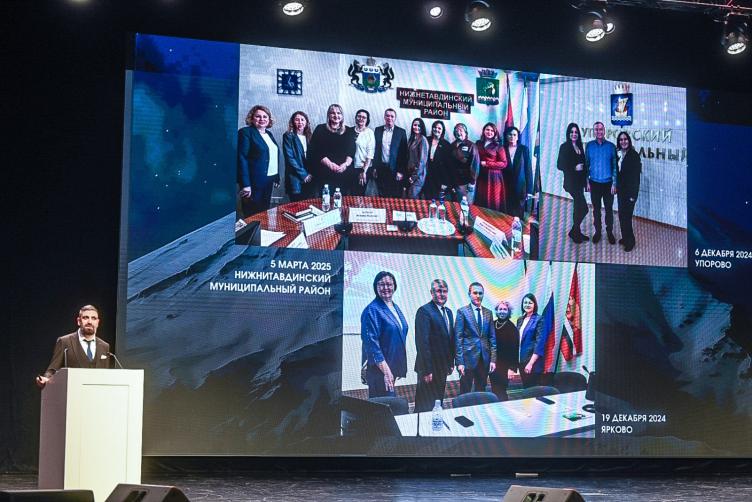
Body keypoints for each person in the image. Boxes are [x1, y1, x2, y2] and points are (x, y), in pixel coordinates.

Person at [36, 305, 113, 388]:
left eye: (93, 318)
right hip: (72, 391)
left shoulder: (105, 346)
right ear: (79, 321)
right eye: (85, 318)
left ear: (98, 322)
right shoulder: (65, 341)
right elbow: (52, 369)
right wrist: (46, 378)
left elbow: (106, 375)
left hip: (97, 393)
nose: (90, 322)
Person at [360, 271, 408, 398]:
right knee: (382, 406)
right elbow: (371, 345)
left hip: (391, 369)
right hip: (379, 371)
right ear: (375, 287)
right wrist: (386, 372)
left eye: (389, 284)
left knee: (389, 404)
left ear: (394, 286)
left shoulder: (394, 307)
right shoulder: (372, 310)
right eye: (381, 284)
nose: (386, 287)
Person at [414, 279, 455, 413]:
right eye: (438, 291)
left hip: (442, 367)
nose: (442, 294)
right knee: (424, 404)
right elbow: (422, 343)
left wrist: (451, 363)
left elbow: (449, 340)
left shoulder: (448, 312)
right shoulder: (424, 311)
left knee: (437, 402)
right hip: (429, 369)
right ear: (432, 293)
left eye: (445, 291)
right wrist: (427, 370)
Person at [237, 105, 280, 217]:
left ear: (269, 119)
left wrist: (276, 177)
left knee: (263, 213)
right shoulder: (245, 132)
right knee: (252, 215)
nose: (262, 119)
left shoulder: (269, 134)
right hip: (253, 182)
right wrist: (246, 184)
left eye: (265, 116)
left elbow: (273, 156)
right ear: (252, 118)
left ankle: (261, 229)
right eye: (258, 116)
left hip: (268, 180)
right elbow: (242, 158)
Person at [454, 282, 496, 394]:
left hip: (484, 359)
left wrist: (493, 360)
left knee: (481, 391)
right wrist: (459, 362)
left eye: (480, 293)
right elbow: (458, 339)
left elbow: (492, 338)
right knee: (465, 391)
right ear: (469, 294)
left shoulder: (488, 313)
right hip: (467, 360)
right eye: (475, 293)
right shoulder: (462, 312)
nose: (478, 296)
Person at [308, 103, 357, 196]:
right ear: (328, 115)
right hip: (324, 172)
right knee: (325, 199)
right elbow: (315, 150)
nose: (336, 115)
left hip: (343, 173)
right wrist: (330, 164)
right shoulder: (320, 129)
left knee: (341, 200)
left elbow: (351, 151)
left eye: (339, 113)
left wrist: (345, 165)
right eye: (332, 113)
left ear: (342, 116)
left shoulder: (349, 131)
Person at [585, 121, 618, 244]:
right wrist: (586, 181)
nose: (599, 131)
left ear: (604, 131)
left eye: (601, 129)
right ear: (594, 131)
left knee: (609, 210)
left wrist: (614, 183)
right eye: (596, 129)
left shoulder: (611, 146)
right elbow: (586, 165)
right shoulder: (589, 146)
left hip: (608, 184)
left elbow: (615, 166)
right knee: (596, 210)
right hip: (594, 183)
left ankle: (609, 232)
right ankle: (598, 232)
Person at [557, 122, 590, 243]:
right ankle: (575, 231)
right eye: (571, 132)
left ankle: (575, 232)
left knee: (578, 207)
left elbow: (584, 165)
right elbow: (559, 165)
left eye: (576, 132)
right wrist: (574, 167)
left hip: (580, 182)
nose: (574, 134)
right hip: (571, 183)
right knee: (584, 208)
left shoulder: (580, 146)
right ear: (568, 133)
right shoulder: (564, 147)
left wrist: (587, 182)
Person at [616, 131, 642, 252]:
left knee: (627, 218)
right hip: (621, 191)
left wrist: (633, 196)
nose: (623, 141)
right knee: (621, 216)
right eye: (621, 140)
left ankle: (630, 241)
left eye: (625, 139)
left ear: (629, 140)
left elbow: (636, 178)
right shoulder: (618, 154)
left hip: (630, 193)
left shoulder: (634, 155)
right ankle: (625, 238)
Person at [373, 108, 408, 198]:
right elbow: (375, 151)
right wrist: (375, 168)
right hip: (381, 169)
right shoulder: (378, 130)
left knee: (395, 196)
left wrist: (401, 171)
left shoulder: (401, 132)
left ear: (395, 118)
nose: (389, 118)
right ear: (384, 117)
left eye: (392, 116)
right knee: (382, 196)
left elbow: (404, 154)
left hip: (395, 170)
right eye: (387, 116)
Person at [488, 300, 520, 401]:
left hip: (505, 366)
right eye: (500, 309)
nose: (502, 311)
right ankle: (496, 408)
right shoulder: (492, 324)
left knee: (501, 391)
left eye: (505, 309)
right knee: (494, 389)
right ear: (496, 311)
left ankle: (503, 408)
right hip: (493, 364)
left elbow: (515, 350)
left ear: (508, 312)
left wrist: (512, 368)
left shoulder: (512, 328)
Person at [475, 122, 508, 212]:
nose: (489, 132)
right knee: (481, 199)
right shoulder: (478, 143)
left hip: (494, 177)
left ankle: (492, 218)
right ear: (483, 131)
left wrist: (487, 163)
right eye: (487, 130)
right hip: (481, 175)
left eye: (492, 131)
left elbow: (504, 163)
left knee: (493, 201)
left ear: (495, 133)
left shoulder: (499, 146)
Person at [282, 111, 314, 202]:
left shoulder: (310, 136)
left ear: (306, 122)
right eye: (297, 120)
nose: (300, 122)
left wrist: (310, 174)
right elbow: (290, 158)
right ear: (293, 122)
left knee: (308, 204)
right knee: (296, 205)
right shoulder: (288, 136)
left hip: (310, 176)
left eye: (302, 120)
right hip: (295, 177)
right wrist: (304, 175)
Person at [502, 126, 533, 219]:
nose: (512, 137)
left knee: (518, 214)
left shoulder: (523, 149)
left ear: (518, 137)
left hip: (520, 186)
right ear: (506, 136)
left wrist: (529, 190)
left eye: (514, 135)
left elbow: (528, 169)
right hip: (505, 185)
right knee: (506, 212)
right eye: (510, 134)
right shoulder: (502, 149)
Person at [516, 293, 545, 388]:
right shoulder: (520, 320)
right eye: (525, 303)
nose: (527, 305)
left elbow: (539, 343)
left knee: (533, 390)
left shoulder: (539, 319)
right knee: (526, 388)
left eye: (530, 303)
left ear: (534, 305)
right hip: (521, 361)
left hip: (533, 362)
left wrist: (530, 363)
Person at [422, 120, 453, 201]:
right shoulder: (426, 140)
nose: (436, 129)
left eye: (439, 128)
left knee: (438, 201)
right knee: (427, 200)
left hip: (440, 178)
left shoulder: (446, 144)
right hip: (427, 176)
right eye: (435, 127)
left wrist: (445, 183)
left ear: (442, 131)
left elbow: (449, 166)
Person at [450, 123, 480, 203]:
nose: (458, 132)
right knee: (455, 205)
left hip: (466, 182)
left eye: (461, 130)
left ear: (465, 133)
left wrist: (472, 182)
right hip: (454, 182)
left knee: (466, 205)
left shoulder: (471, 146)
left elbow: (475, 165)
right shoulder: (452, 145)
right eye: (456, 130)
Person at [351, 109, 375, 197]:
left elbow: (370, 154)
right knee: (348, 194)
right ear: (356, 118)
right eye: (359, 116)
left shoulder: (369, 133)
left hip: (362, 168)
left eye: (364, 117)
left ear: (367, 120)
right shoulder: (349, 130)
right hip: (349, 167)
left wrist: (363, 171)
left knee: (359, 194)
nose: (361, 118)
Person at [406, 118, 428, 199]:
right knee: (409, 198)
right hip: (410, 173)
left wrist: (414, 177)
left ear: (422, 127)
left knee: (413, 198)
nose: (417, 127)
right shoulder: (411, 138)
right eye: (415, 125)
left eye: (419, 126)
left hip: (418, 175)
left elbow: (422, 162)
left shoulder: (423, 139)